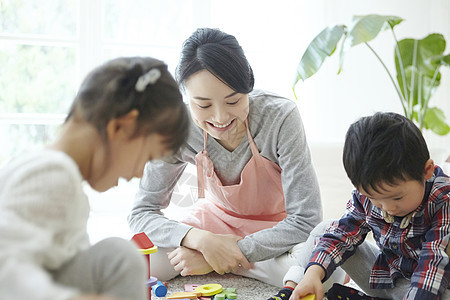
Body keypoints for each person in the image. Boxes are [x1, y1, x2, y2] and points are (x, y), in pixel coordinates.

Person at [128, 28, 346, 288]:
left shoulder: (280, 117)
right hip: (213, 226)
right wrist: (200, 241)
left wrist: (223, 255)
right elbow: (142, 212)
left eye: (233, 101)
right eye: (204, 105)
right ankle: (242, 265)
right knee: (133, 264)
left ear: (248, 87)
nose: (220, 118)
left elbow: (305, 219)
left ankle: (222, 264)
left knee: (324, 275)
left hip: (278, 233)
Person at [0, 57, 189, 300]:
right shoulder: (52, 174)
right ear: (120, 128)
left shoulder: (37, 166)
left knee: (119, 256)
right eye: (148, 157)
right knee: (123, 257)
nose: (140, 172)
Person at [272, 112, 450, 300]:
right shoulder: (366, 194)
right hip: (384, 277)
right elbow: (341, 235)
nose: (388, 208)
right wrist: (313, 273)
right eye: (375, 199)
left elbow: (433, 266)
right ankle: (292, 291)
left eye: (397, 198)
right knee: (326, 229)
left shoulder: (444, 200)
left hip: (431, 286)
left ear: (426, 171)